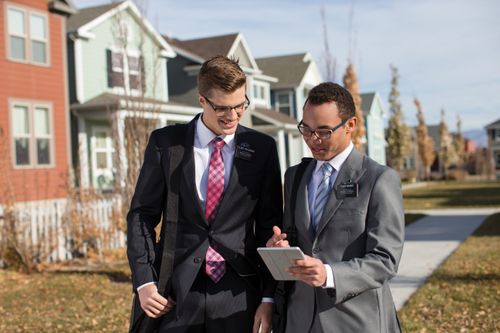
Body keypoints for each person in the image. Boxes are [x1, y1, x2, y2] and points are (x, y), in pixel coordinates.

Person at [127, 55, 282, 333]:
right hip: (173, 293)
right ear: (201, 100)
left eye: (240, 106)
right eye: (222, 108)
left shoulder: (263, 149)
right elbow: (141, 215)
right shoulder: (166, 144)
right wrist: (144, 282)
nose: (233, 116)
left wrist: (269, 297)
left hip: (239, 293)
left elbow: (270, 230)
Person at [267, 82, 404, 332]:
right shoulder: (294, 177)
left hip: (355, 321)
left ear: (350, 125)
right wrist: (281, 249)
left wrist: (329, 274)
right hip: (299, 319)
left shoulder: (379, 179)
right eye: (306, 130)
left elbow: (385, 260)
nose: (313, 140)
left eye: (324, 131)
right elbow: (299, 239)